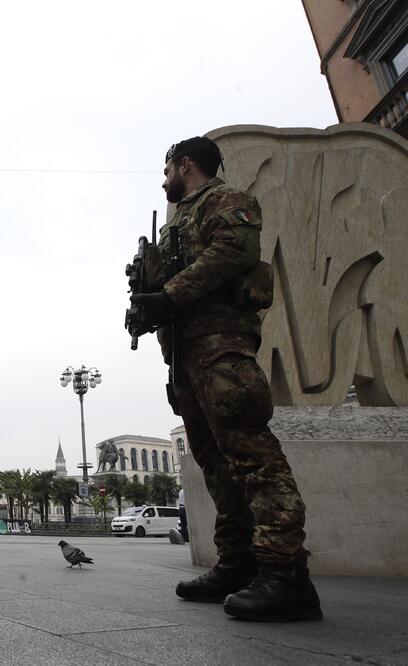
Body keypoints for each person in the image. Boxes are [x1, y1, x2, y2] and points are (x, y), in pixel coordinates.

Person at [129, 136, 322, 622]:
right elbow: (165, 291)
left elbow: (232, 253)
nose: (164, 178)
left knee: (253, 456)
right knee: (215, 463)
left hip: (222, 347)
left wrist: (168, 295)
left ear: (185, 163)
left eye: (167, 167)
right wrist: (145, 300)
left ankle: (286, 573)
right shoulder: (177, 225)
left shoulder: (226, 200)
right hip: (186, 355)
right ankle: (238, 563)